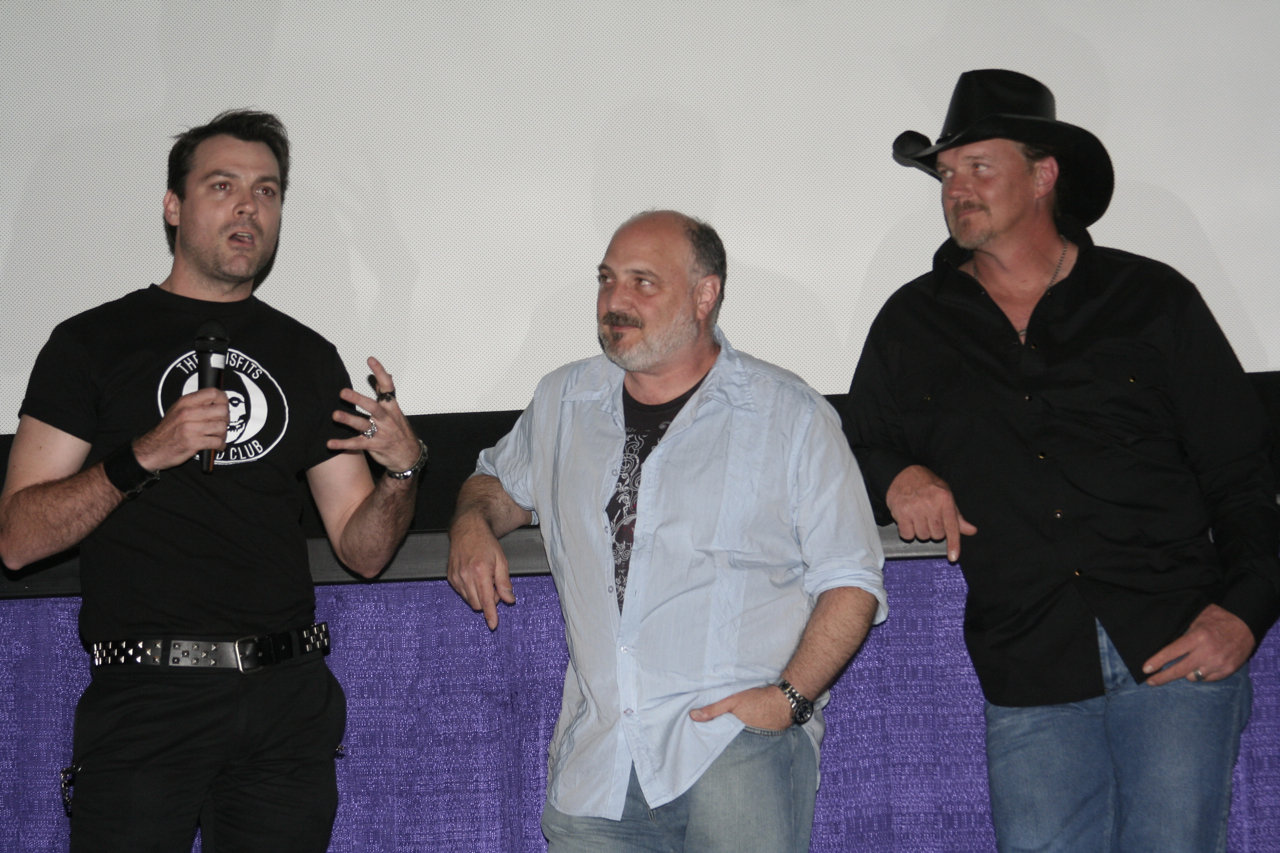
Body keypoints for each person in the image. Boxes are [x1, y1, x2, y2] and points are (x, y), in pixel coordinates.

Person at [842, 69, 1280, 852]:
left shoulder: (1152, 300)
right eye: (946, 174)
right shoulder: (914, 324)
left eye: (980, 167)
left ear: (1044, 176)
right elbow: (853, 444)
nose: (956, 189)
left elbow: (1247, 476)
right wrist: (897, 475)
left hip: (1176, 651)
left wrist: (1244, 614)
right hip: (1030, 665)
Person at [0, 109, 427, 853]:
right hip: (146, 701)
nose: (247, 207)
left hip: (285, 700)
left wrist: (401, 470)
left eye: (266, 191)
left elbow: (361, 548)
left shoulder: (305, 354)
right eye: (223, 185)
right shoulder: (90, 343)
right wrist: (144, 454)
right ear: (173, 208)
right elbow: (17, 537)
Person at [447, 210, 886, 851]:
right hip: (599, 762)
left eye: (642, 282)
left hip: (735, 752)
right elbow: (494, 485)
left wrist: (787, 702)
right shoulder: (563, 402)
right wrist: (469, 522)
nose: (614, 301)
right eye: (606, 280)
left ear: (705, 295)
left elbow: (851, 579)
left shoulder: (787, 414)